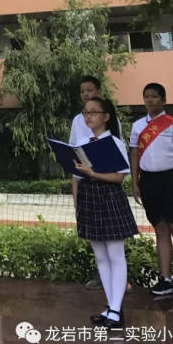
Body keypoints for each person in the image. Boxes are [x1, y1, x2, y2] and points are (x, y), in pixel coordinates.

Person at [74, 97, 138, 327]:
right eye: (85, 112)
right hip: (89, 198)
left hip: (109, 198)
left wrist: (94, 174)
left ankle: (116, 310)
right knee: (100, 257)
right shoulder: (81, 142)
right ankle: (111, 307)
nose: (88, 116)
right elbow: (77, 177)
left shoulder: (114, 143)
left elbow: (119, 177)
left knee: (115, 255)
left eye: (94, 112)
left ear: (106, 117)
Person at [129, 82, 173, 299]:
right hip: (149, 181)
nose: (150, 100)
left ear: (163, 100)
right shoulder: (137, 126)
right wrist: (135, 182)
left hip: (171, 180)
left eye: (154, 96)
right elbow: (135, 154)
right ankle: (165, 279)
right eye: (146, 97)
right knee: (161, 230)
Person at [69, 76, 104, 290]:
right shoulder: (76, 120)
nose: (86, 94)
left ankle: (119, 278)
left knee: (111, 235)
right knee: (93, 233)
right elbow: (73, 152)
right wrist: (75, 192)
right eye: (82, 91)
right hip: (84, 180)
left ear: (98, 91)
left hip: (105, 179)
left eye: (90, 89)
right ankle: (100, 275)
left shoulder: (108, 117)